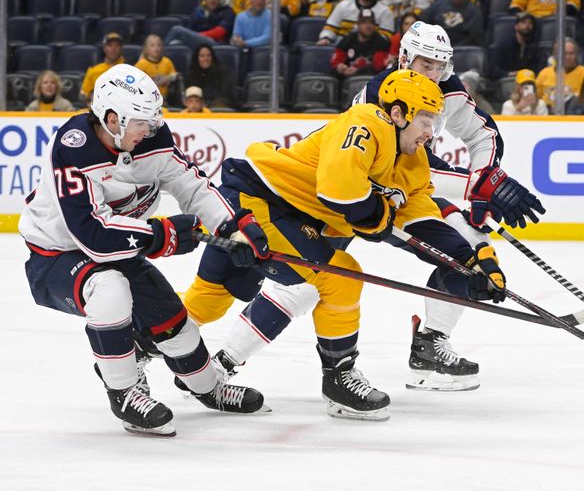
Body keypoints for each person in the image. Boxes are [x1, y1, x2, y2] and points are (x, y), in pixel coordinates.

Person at [208, 23, 545, 394]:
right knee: (306, 285)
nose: (432, 74)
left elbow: (479, 136)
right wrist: (478, 185)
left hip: (390, 195)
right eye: (424, 64)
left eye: (439, 66)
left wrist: (483, 182)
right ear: (404, 59)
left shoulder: (446, 92)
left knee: (470, 246)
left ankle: (430, 344)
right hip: (336, 198)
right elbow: (393, 170)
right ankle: (222, 362)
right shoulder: (382, 99)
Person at [183, 70, 510, 420]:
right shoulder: (365, 124)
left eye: (436, 122)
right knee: (341, 276)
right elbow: (342, 193)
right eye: (426, 120)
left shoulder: (413, 164)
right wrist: (382, 218)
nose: (431, 133)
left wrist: (469, 262)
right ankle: (339, 380)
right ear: (398, 113)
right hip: (256, 202)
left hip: (287, 217)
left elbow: (423, 222)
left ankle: (153, 352)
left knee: (207, 300)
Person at [18, 63, 270, 437]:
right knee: (110, 291)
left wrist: (234, 226)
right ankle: (123, 391)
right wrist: (161, 235)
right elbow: (92, 233)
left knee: (176, 326)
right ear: (112, 117)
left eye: (153, 121)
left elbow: (191, 185)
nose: (150, 130)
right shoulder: (74, 148)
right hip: (56, 256)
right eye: (141, 122)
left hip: (119, 247)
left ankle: (208, 388)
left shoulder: (151, 138)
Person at [318, 0, 394, 45]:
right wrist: (326, 38)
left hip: (370, 47)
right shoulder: (343, 5)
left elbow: (386, 36)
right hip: (342, 44)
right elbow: (330, 27)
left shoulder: (385, 11)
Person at [420, 0, 485, 47]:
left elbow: (475, 38)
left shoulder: (474, 11)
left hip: (461, 50)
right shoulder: (438, 5)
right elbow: (423, 22)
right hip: (436, 47)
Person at [163, 0, 236, 48]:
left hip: (217, 44)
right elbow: (190, 29)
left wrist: (197, 35)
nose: (213, 0)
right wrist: (193, 37)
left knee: (177, 30)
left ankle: (160, 58)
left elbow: (220, 32)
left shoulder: (227, 11)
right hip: (199, 44)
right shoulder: (198, 12)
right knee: (175, 43)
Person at [330, 9, 391, 77]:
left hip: (370, 80)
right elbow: (335, 62)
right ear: (358, 25)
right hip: (346, 80)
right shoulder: (347, 40)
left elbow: (378, 68)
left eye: (371, 22)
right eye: (364, 22)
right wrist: (338, 68)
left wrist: (358, 71)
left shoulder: (381, 42)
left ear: (374, 25)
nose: (368, 25)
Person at [535, 38, 584, 109]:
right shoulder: (544, 73)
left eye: (571, 53)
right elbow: (535, 98)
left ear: (576, 55)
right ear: (555, 55)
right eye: (564, 53)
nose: (568, 57)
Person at [80, 32, 126, 105]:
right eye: (110, 45)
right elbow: (84, 94)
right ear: (104, 48)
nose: (113, 48)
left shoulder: (128, 69)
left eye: (117, 45)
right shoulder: (94, 70)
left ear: (121, 48)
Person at [489, 11, 538, 79]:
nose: (527, 25)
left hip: (526, 80)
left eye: (530, 23)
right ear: (516, 26)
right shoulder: (504, 46)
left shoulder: (533, 47)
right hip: (507, 80)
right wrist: (508, 73)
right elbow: (492, 69)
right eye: (523, 22)